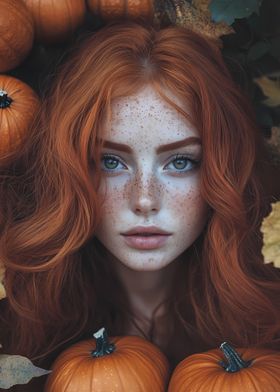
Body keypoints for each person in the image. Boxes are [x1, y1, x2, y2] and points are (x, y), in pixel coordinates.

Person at [0, 20, 280, 391]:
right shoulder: (17, 311)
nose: (144, 199)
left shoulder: (269, 312)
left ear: (223, 171)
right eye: (111, 162)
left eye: (180, 162)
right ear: (68, 171)